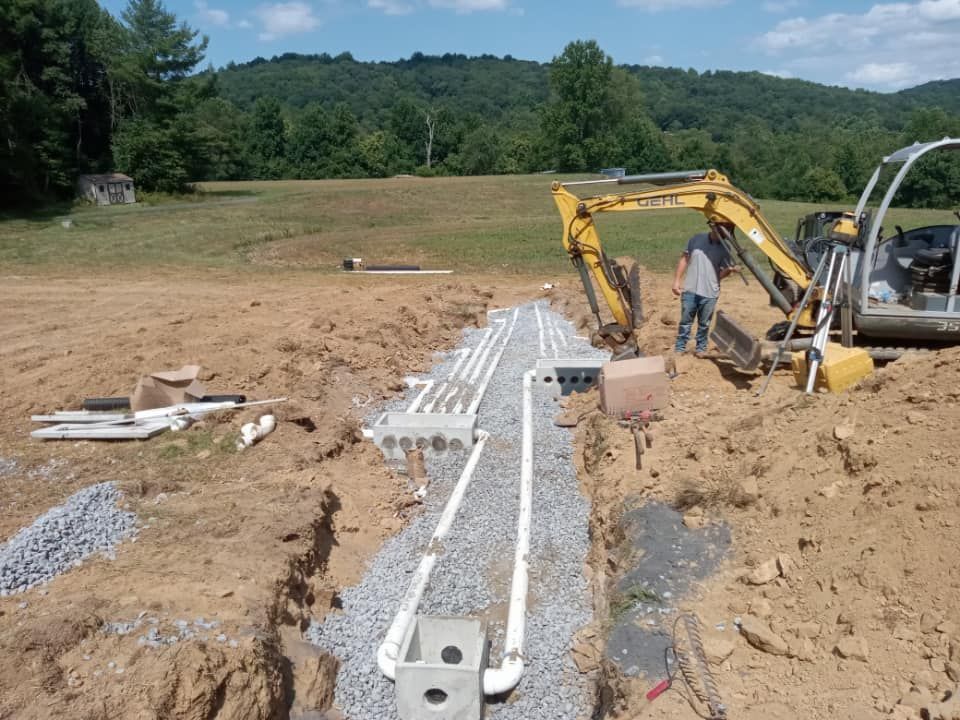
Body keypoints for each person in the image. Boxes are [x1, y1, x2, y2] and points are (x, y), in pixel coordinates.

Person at [672, 217, 740, 357]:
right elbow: (685, 259)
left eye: (727, 230)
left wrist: (729, 271)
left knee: (704, 324)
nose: (723, 232)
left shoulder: (726, 247)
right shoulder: (696, 239)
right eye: (721, 229)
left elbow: (720, 275)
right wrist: (677, 281)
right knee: (685, 322)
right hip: (690, 289)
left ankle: (700, 349)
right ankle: (680, 348)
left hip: (709, 292)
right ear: (713, 227)